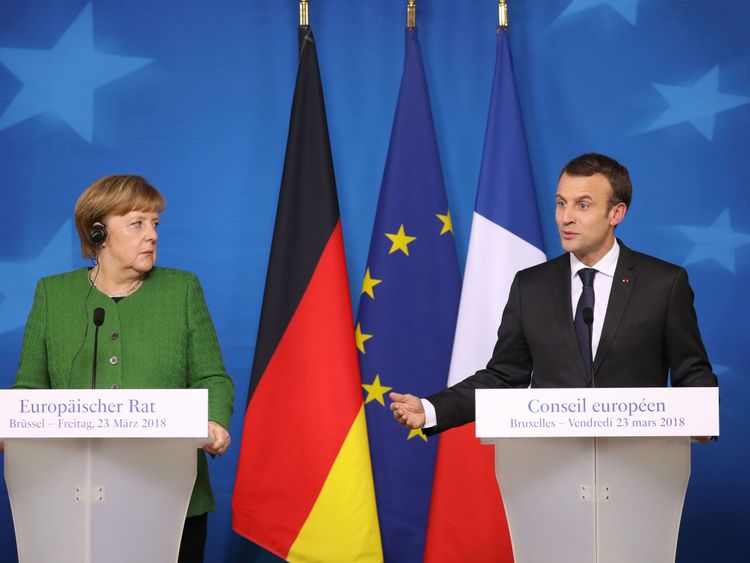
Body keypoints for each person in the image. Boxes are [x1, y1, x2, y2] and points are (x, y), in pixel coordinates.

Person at [390, 153, 717, 435]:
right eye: (561, 203)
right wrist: (431, 409)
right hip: (550, 466)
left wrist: (700, 419)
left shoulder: (664, 282)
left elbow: (692, 370)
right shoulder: (531, 286)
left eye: (583, 205)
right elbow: (504, 376)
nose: (566, 217)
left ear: (616, 214)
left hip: (640, 464)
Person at [10, 175, 234, 563]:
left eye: (155, 224)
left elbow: (211, 376)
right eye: (137, 223)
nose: (152, 235)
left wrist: (214, 422)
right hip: (73, 498)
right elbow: (30, 387)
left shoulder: (181, 289)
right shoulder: (52, 294)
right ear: (98, 233)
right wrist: (9, 428)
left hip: (172, 498)